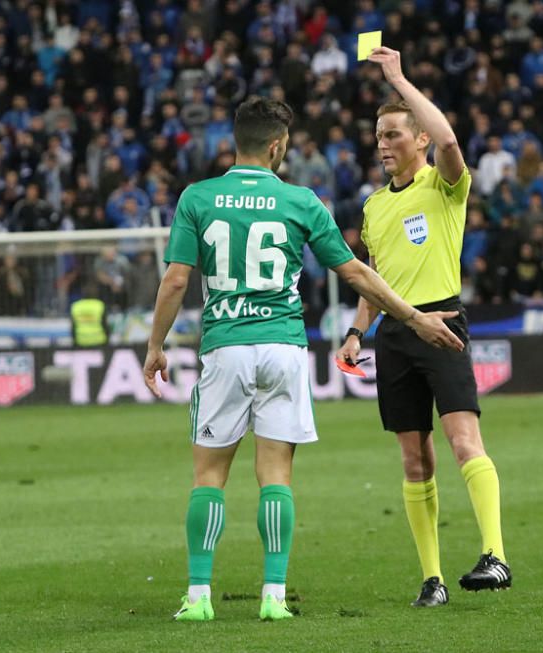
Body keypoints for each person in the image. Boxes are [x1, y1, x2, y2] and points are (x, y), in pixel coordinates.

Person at [141, 97, 463, 623]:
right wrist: (414, 317)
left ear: (235, 141)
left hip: (225, 346)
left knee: (209, 478)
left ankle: (198, 597)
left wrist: (155, 347)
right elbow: (356, 273)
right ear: (276, 146)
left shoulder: (197, 197)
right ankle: (273, 595)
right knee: (276, 476)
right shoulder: (302, 201)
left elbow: (176, 279)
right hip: (284, 348)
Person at [336, 46, 511, 608]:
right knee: (415, 458)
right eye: (378, 136)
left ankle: (495, 555)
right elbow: (375, 281)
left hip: (444, 322)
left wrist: (400, 80)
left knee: (464, 442)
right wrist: (356, 333)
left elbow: (453, 141)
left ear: (418, 140)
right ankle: (432, 580)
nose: (382, 145)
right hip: (393, 334)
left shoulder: (444, 185)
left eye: (392, 135)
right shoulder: (372, 207)